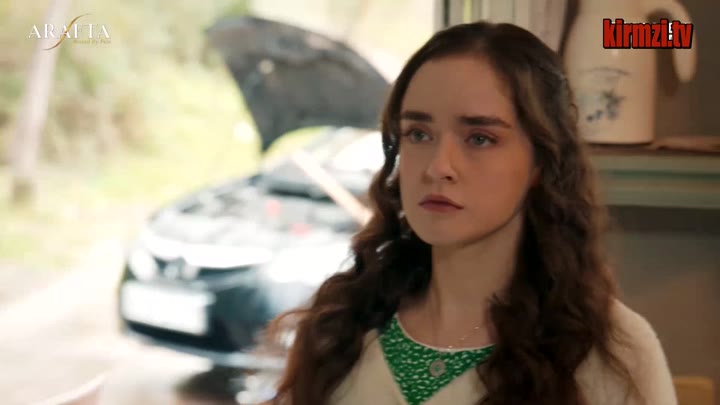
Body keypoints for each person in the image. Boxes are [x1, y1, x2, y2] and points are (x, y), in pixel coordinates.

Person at [262, 20, 677, 405]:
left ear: (540, 161)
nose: (438, 166)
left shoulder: (612, 352)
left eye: (479, 138)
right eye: (418, 133)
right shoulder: (340, 327)